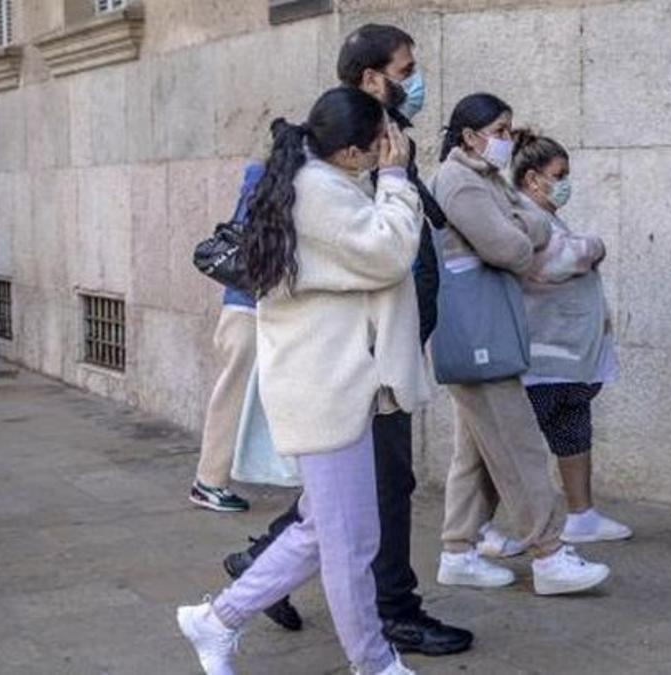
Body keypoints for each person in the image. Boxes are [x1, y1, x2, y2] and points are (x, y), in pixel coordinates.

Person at [221, 24, 473, 655]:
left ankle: (239, 595)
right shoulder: (340, 170)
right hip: (348, 374)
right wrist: (394, 177)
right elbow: (384, 252)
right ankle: (383, 633)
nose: (417, 80)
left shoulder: (358, 157)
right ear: (371, 79)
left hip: (370, 365)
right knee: (361, 515)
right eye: (406, 68)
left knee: (335, 517)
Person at [176, 87, 425, 675]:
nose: (389, 148)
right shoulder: (319, 192)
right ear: (351, 152)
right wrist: (395, 178)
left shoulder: (325, 182)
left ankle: (216, 621)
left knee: (325, 529)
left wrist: (381, 176)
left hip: (335, 384)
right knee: (349, 543)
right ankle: (374, 663)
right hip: (324, 390)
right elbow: (389, 251)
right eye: (379, 143)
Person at [429, 93, 610, 596]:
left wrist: (519, 229)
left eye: (508, 131)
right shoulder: (459, 182)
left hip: (490, 325)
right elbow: (511, 245)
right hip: (477, 329)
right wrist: (518, 232)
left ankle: (458, 551)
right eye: (501, 130)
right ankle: (549, 555)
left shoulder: (482, 179)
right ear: (470, 136)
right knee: (518, 445)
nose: (508, 140)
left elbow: (529, 222)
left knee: (476, 452)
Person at [477, 131, 630, 557]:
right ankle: (478, 526)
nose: (566, 183)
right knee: (510, 449)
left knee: (573, 430)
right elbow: (553, 262)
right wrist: (594, 246)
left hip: (569, 360)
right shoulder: (521, 217)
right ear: (531, 180)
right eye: (558, 175)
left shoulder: (550, 217)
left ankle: (582, 514)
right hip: (539, 358)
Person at [187, 163, 263, 513]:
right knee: (233, 392)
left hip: (248, 306)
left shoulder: (264, 174)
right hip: (247, 308)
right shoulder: (264, 177)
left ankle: (212, 480)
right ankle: (209, 481)